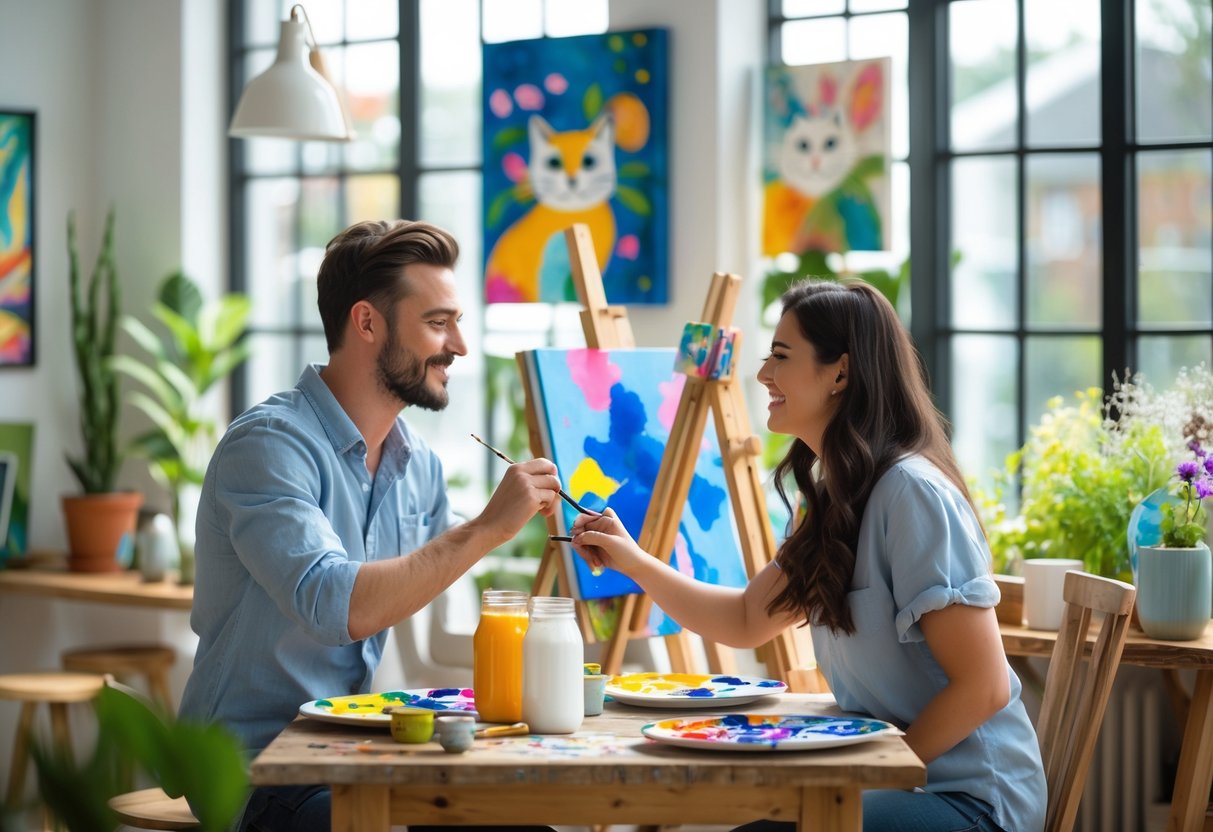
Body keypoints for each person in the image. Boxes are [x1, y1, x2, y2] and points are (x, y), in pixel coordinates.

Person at [570, 279, 1046, 832]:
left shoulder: (912, 494)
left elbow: (983, 687)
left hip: (971, 801)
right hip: (899, 784)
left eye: (781, 356)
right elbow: (746, 619)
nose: (763, 375)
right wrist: (631, 559)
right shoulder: (831, 497)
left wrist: (866, 778)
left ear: (840, 373)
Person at [179, 220, 563, 832]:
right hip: (255, 771)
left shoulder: (419, 466)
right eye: (438, 322)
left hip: (352, 753)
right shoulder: (268, 445)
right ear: (366, 323)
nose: (460, 345)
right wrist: (487, 529)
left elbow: (420, 577)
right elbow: (335, 604)